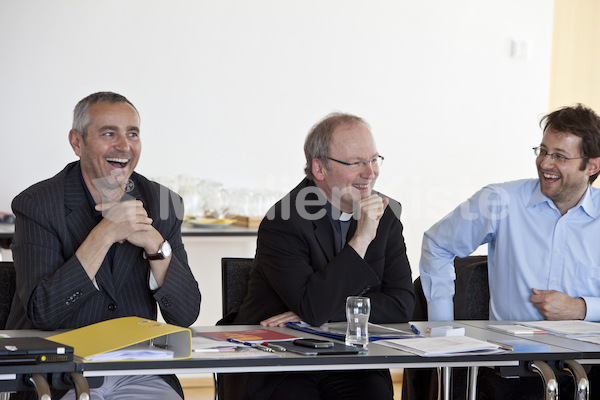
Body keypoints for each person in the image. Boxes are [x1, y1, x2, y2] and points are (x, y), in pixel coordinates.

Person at [6, 91, 201, 400]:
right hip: (59, 375)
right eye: (109, 133)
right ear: (77, 142)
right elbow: (43, 312)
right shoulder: (38, 204)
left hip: (138, 372)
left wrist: (153, 241)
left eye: (132, 134)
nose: (124, 146)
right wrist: (105, 233)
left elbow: (186, 313)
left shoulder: (163, 203)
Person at [219, 112, 415, 400]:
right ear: (319, 169)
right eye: (356, 162)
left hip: (352, 360)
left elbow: (401, 305)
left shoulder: (386, 215)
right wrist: (361, 239)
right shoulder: (282, 221)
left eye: (374, 159)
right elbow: (313, 308)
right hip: (282, 359)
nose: (370, 172)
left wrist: (323, 313)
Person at [419, 103, 600, 400]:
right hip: (515, 371)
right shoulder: (500, 200)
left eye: (560, 156)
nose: (545, 163)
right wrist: (442, 331)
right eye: (542, 151)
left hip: (590, 366)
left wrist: (581, 309)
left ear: (592, 166)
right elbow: (437, 244)